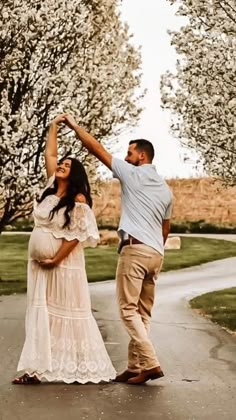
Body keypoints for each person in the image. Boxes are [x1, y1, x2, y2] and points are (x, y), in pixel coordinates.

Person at [63, 114, 173, 385]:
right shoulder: (166, 189)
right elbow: (166, 228)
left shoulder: (131, 173)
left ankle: (150, 363)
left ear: (142, 157)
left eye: (130, 152)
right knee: (142, 313)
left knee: (127, 309)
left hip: (135, 250)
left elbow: (96, 148)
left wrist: (75, 125)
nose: (126, 156)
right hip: (156, 254)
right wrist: (155, 248)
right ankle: (135, 367)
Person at [12, 115, 116, 384]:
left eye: (67, 165)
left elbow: (76, 237)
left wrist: (56, 260)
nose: (60, 165)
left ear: (76, 173)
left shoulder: (78, 200)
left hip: (63, 268)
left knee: (64, 313)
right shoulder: (49, 188)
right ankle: (36, 369)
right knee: (40, 315)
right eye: (61, 163)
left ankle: (76, 366)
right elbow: (50, 152)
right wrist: (55, 126)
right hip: (39, 266)